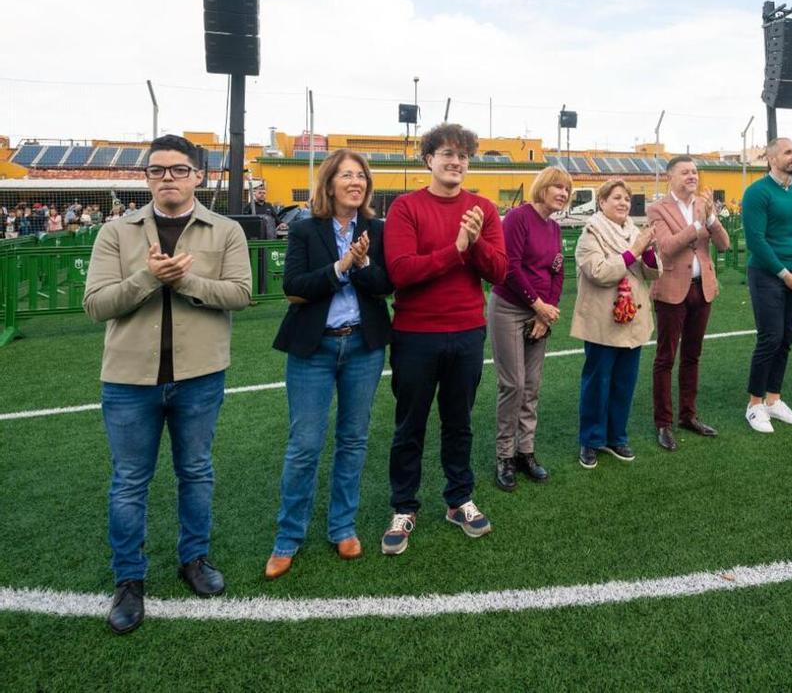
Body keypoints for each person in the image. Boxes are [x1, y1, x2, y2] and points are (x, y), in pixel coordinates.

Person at [83, 134, 252, 635]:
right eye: (158, 170)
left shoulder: (225, 231)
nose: (168, 179)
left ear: (199, 176)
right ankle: (129, 580)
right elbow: (96, 305)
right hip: (129, 379)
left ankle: (194, 560)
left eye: (179, 170)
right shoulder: (116, 233)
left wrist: (185, 282)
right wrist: (150, 278)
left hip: (199, 375)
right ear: (147, 178)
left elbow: (241, 294)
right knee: (129, 481)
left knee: (196, 471)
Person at [264, 150, 392, 580]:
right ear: (330, 184)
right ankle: (288, 538)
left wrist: (364, 263)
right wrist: (341, 266)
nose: (355, 182)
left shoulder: (377, 229)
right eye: (347, 176)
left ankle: (343, 528)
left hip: (363, 346)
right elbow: (294, 287)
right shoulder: (305, 230)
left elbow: (385, 286)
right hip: (314, 349)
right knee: (305, 446)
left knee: (353, 440)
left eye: (361, 175)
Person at [381, 124, 507, 556]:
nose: (457, 162)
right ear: (428, 159)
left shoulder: (483, 209)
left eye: (464, 156)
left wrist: (472, 247)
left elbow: (499, 272)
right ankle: (404, 506)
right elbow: (401, 272)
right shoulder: (405, 207)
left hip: (468, 332)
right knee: (409, 425)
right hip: (416, 334)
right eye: (448, 154)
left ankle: (459, 500)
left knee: (459, 422)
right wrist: (456, 249)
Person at [488, 166, 571, 491]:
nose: (563, 194)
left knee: (532, 385)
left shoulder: (554, 227)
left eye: (567, 190)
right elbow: (509, 266)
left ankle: (526, 451)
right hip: (509, 309)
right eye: (558, 187)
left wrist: (544, 314)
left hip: (539, 314)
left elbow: (557, 271)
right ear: (543, 187)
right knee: (514, 384)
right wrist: (537, 304)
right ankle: (505, 456)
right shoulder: (519, 218)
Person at [571, 179, 659, 468]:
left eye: (626, 198)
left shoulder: (635, 232)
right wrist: (635, 250)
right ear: (602, 202)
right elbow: (599, 272)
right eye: (616, 197)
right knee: (598, 382)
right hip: (602, 321)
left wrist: (647, 251)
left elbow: (651, 273)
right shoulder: (590, 233)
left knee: (624, 382)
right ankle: (591, 440)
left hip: (633, 319)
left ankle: (616, 436)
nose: (623, 203)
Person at [646, 155, 731, 451]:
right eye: (685, 172)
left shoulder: (702, 205)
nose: (692, 176)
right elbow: (667, 248)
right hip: (671, 289)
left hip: (702, 288)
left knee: (692, 356)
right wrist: (697, 225)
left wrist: (710, 219)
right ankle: (663, 423)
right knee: (665, 358)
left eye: (694, 171)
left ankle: (688, 415)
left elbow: (724, 245)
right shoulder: (657, 208)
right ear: (671, 176)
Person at [741, 137, 792, 433]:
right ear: (772, 158)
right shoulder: (757, 193)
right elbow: (756, 241)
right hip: (767, 274)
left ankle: (774, 400)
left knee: (786, 338)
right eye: (788, 152)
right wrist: (784, 273)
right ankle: (754, 404)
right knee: (770, 337)